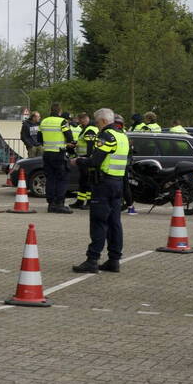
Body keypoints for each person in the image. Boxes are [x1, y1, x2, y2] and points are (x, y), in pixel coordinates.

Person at [71, 108, 129, 273]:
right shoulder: (122, 136)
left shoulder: (106, 136)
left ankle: (92, 260)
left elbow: (96, 161)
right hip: (117, 183)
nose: (96, 126)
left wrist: (79, 161)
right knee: (114, 223)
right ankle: (114, 260)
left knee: (98, 221)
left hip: (103, 184)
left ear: (103, 121)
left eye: (97, 122)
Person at [38, 103, 74, 214]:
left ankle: (51, 204)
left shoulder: (43, 121)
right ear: (60, 111)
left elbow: (39, 138)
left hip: (47, 153)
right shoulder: (62, 122)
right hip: (59, 153)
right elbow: (69, 137)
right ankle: (60, 204)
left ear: (50, 110)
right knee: (62, 179)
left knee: (50, 179)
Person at [70, 112, 99, 210]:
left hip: (86, 159)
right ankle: (80, 201)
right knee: (82, 181)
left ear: (84, 119)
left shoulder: (90, 130)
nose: (80, 123)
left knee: (88, 181)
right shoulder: (86, 129)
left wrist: (87, 158)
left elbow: (90, 146)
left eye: (81, 121)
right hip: (83, 159)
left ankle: (90, 202)